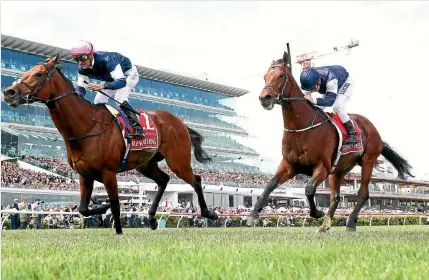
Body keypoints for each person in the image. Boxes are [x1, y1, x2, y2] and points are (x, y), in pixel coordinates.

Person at [70, 40, 145, 138]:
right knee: (98, 101)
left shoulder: (107, 59)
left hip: (128, 75)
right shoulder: (81, 69)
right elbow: (80, 90)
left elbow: (121, 82)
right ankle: (103, 125)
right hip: (111, 79)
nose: (80, 62)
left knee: (120, 99)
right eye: (76, 59)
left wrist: (102, 86)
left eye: (83, 58)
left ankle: (138, 129)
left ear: (91, 55)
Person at [300, 65, 358, 145]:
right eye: (309, 89)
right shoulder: (310, 80)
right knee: (318, 106)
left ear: (318, 81)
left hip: (345, 82)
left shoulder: (331, 80)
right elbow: (303, 98)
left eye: (313, 88)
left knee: (337, 107)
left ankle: (353, 134)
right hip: (330, 84)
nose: (312, 91)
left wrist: (313, 100)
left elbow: (330, 101)